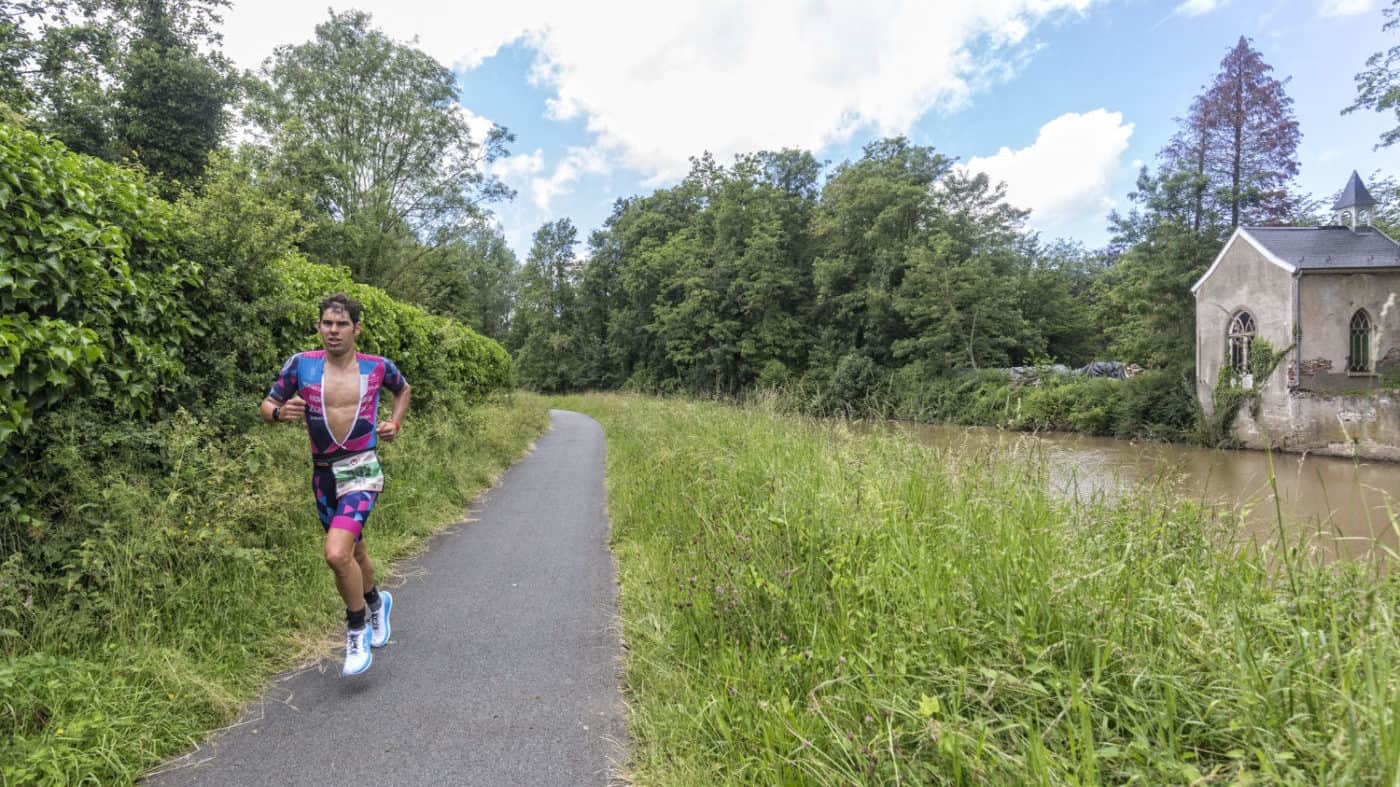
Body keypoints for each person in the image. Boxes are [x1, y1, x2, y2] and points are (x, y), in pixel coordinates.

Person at [261, 293, 411, 676]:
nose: (333, 330)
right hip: (323, 473)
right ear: (318, 327)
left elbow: (403, 389)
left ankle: (357, 628)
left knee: (335, 553)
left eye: (341, 324)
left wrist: (394, 423)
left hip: (362, 468)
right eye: (327, 323)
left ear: (356, 329)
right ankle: (377, 604)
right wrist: (279, 413)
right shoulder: (301, 365)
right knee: (354, 552)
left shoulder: (377, 367)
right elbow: (267, 404)